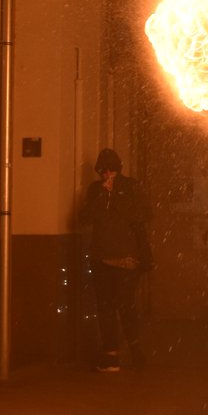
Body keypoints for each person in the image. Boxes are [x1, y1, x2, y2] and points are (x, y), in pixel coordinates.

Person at [80, 148, 151, 372]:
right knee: (106, 307)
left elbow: (143, 216)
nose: (107, 175)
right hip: (102, 258)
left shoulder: (131, 187)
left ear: (118, 170)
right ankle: (111, 353)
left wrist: (117, 197)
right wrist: (102, 195)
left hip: (127, 258)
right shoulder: (96, 190)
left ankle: (135, 350)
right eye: (103, 171)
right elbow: (84, 218)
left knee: (125, 305)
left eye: (111, 170)